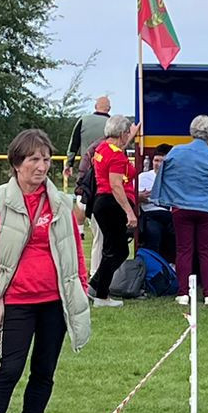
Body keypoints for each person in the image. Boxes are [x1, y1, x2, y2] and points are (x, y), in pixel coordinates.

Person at [0, 129, 90, 413]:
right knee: (9, 368)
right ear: (17, 163)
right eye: (34, 159)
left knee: (44, 370)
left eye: (46, 159)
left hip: (55, 300)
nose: (41, 166)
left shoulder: (61, 203)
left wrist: (80, 287)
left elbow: (74, 249)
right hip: (16, 301)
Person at [156, 115, 208, 306]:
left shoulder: (176, 151)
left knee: (183, 250)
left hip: (181, 208)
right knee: (207, 251)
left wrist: (167, 197)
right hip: (207, 210)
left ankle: (183, 294)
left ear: (191, 131)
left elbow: (163, 174)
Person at [87, 114, 140, 307]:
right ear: (122, 133)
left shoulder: (102, 148)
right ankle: (101, 295)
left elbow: (116, 149)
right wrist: (129, 212)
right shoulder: (117, 155)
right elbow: (116, 185)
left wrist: (130, 136)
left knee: (113, 249)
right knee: (117, 251)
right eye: (127, 133)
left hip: (101, 203)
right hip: (112, 203)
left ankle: (95, 286)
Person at [66, 95, 112, 179]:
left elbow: (74, 145)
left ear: (95, 106)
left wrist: (69, 164)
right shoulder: (113, 124)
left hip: (86, 167)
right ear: (109, 108)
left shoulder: (83, 120)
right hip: (107, 170)